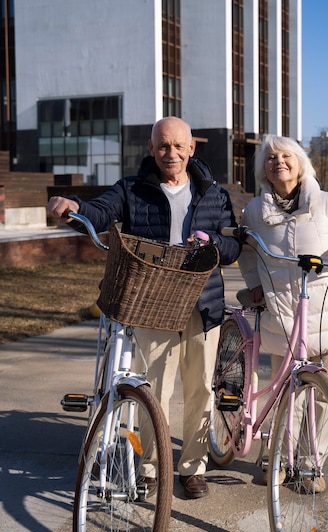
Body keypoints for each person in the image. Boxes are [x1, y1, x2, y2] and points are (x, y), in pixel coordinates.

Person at [47, 116, 240, 499]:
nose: (171, 153)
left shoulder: (214, 194)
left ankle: (192, 468)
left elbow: (233, 247)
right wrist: (73, 207)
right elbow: (98, 212)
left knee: (201, 387)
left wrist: (213, 244)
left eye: (178, 146)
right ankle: (151, 467)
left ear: (191, 149)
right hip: (153, 301)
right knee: (155, 390)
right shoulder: (131, 189)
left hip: (203, 303)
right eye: (163, 146)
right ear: (151, 149)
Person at [238, 135, 328, 492]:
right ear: (262, 168)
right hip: (284, 315)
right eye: (270, 158)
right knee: (286, 394)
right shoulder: (254, 211)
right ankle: (280, 460)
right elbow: (248, 255)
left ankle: (312, 465)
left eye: (286, 156)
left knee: (327, 396)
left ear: (300, 163)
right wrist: (254, 285)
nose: (278, 162)